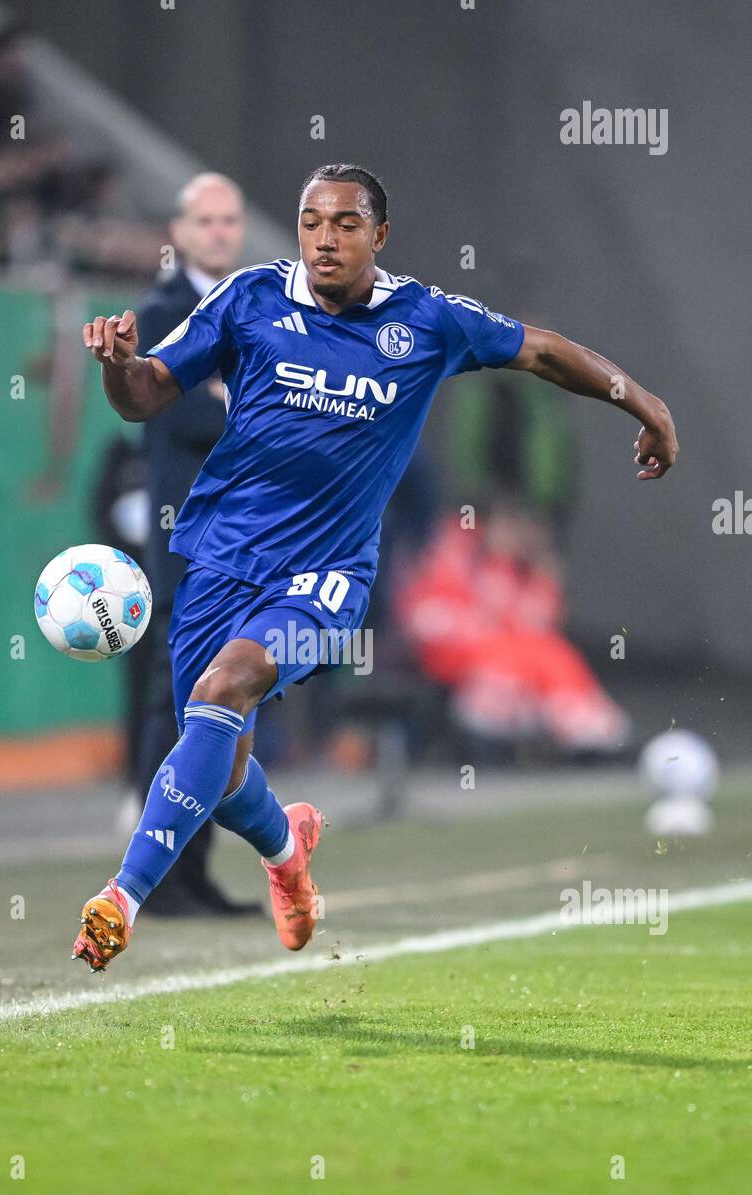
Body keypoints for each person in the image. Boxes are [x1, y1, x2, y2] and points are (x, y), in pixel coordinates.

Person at [71, 161, 678, 971]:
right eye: (312, 222)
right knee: (217, 769)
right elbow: (146, 394)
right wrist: (117, 364)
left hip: (324, 577)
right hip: (218, 559)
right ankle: (288, 850)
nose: (326, 240)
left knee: (223, 693)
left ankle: (122, 898)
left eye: (346, 224)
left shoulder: (425, 320)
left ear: (379, 236)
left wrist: (644, 402)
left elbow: (538, 352)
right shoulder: (247, 300)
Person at [133, 172, 261, 916]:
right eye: (204, 220)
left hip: (242, 538)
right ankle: (165, 878)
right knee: (175, 697)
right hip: (185, 534)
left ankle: (193, 872)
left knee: (224, 702)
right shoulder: (163, 311)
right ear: (178, 232)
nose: (217, 232)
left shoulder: (248, 307)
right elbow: (176, 417)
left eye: (228, 219)